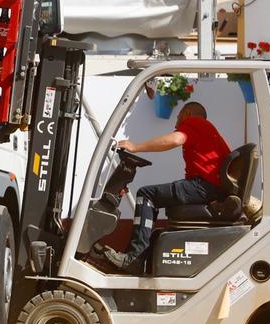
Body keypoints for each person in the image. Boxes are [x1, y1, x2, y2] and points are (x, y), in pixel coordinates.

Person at [99, 101, 231, 272]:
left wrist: (136, 147)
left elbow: (175, 139)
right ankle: (139, 255)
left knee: (146, 194)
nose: (177, 122)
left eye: (179, 116)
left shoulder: (195, 122)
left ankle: (134, 258)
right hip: (208, 187)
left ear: (188, 113)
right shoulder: (206, 130)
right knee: (157, 196)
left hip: (204, 187)